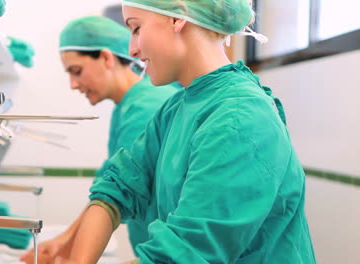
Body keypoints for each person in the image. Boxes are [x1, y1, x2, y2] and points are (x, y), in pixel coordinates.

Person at [24, 1, 317, 263]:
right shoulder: (177, 107)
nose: (132, 50)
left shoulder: (240, 118)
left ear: (178, 17)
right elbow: (118, 187)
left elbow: (187, 251)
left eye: (136, 28)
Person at [20, 16, 177, 263]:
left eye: (77, 71)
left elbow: (120, 192)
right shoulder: (128, 105)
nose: (73, 84)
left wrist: (69, 247)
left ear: (106, 58)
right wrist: (64, 242)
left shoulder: (147, 107)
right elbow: (111, 187)